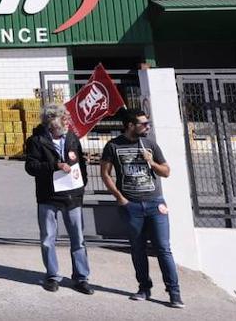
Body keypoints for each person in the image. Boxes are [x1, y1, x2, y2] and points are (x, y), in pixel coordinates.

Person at [101, 109, 183, 308]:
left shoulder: (150, 145)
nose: (147, 127)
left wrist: (151, 162)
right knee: (137, 249)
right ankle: (144, 288)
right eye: (143, 123)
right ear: (130, 125)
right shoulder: (113, 146)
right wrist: (120, 198)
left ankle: (174, 293)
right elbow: (105, 174)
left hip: (155, 203)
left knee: (163, 248)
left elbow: (166, 172)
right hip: (131, 206)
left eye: (148, 123)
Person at [25, 104, 92, 294]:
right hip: (48, 197)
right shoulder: (36, 140)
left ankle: (81, 277)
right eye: (64, 118)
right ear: (52, 121)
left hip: (72, 197)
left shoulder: (71, 137)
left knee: (78, 239)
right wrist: (54, 165)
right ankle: (52, 276)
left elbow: (82, 163)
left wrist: (81, 185)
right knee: (48, 238)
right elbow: (31, 167)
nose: (67, 121)